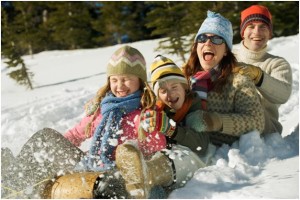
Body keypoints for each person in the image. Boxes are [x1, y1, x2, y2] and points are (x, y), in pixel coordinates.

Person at [1, 45, 165, 199]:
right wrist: (55, 152)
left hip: (116, 176)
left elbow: (158, 147)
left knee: (108, 181)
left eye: (127, 79)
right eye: (114, 80)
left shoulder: (146, 112)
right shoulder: (102, 110)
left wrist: (146, 131)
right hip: (89, 164)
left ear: (140, 80)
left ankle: (15, 182)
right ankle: (12, 181)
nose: (120, 85)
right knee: (45, 137)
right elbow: (75, 134)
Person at [115, 55, 217, 199]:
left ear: (184, 87)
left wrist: (170, 129)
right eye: (163, 91)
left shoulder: (194, 106)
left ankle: (146, 175)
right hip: (163, 163)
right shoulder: (158, 110)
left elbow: (201, 145)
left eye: (174, 87)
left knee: (181, 156)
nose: (170, 94)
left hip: (192, 160)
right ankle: (138, 185)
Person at [181, 10, 265, 146]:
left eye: (217, 39)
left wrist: (215, 122)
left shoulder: (239, 82)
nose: (208, 43)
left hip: (222, 157)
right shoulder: (181, 78)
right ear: (196, 46)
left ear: (226, 50)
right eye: (202, 38)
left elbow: (257, 122)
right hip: (184, 145)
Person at [233, 4, 293, 135]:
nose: (257, 32)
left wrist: (259, 76)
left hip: (265, 131)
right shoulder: (229, 58)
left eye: (263, 27)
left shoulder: (277, 64)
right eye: (251, 26)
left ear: (270, 33)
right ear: (243, 32)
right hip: (230, 124)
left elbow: (283, 95)